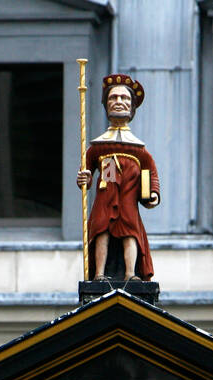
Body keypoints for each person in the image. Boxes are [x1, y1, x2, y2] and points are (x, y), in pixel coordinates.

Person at [76, 73, 160, 281]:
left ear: (132, 108)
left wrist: (153, 194)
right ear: (106, 105)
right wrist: (83, 179)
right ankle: (99, 274)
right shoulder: (99, 147)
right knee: (101, 230)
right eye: (113, 98)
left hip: (128, 198)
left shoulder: (139, 149)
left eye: (125, 98)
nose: (119, 102)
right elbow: (85, 170)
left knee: (130, 232)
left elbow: (151, 174)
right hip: (106, 197)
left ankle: (131, 274)